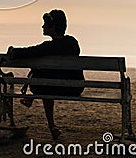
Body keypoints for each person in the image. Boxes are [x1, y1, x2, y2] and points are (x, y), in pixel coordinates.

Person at [7, 9, 84, 139]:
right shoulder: (73, 43)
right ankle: (52, 127)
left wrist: (12, 50)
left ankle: (34, 101)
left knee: (43, 82)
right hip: (74, 88)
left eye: (45, 24)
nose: (42, 26)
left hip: (49, 87)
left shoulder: (47, 47)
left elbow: (25, 52)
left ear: (52, 27)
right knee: (48, 77)